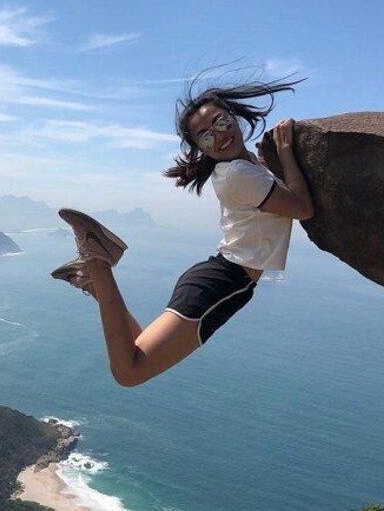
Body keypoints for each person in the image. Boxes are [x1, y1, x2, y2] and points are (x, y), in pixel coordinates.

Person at [51, 78, 313, 387]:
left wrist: (269, 160)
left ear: (232, 116)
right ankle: (97, 260)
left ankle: (96, 285)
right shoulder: (240, 173)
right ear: (200, 148)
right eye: (205, 136)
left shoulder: (244, 167)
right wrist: (285, 153)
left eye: (220, 122)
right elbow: (302, 208)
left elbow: (270, 192)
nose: (219, 136)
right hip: (225, 284)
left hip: (213, 275)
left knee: (138, 348)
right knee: (128, 372)